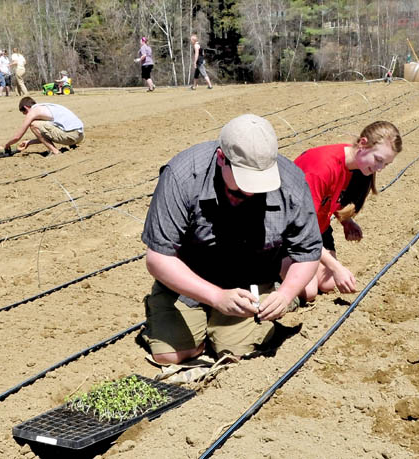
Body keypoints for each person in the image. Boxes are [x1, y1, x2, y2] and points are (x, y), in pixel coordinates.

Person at [140, 114, 321, 364]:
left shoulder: (291, 183)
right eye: (239, 187)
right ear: (221, 158)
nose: (248, 193)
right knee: (171, 355)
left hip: (251, 279)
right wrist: (216, 297)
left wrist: (287, 295)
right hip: (191, 277)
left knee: (234, 351)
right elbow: (158, 258)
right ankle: (176, 313)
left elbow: (308, 253)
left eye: (259, 187)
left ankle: (270, 297)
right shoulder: (182, 176)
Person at [293, 121, 402, 301]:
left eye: (386, 164)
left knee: (327, 284)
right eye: (378, 160)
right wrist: (337, 267)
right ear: (362, 144)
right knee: (309, 291)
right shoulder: (321, 168)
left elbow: (332, 198)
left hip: (316, 229)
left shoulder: (358, 168)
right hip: (289, 233)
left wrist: (346, 220)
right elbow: (300, 230)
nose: (380, 168)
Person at [0, 96, 84, 157]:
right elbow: (47, 135)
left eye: (24, 112)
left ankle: (55, 152)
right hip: (80, 135)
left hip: (71, 136)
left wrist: (7, 145)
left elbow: (17, 137)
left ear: (26, 107)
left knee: (33, 125)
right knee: (40, 125)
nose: (25, 115)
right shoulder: (46, 107)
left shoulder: (33, 111)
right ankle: (72, 145)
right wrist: (29, 142)